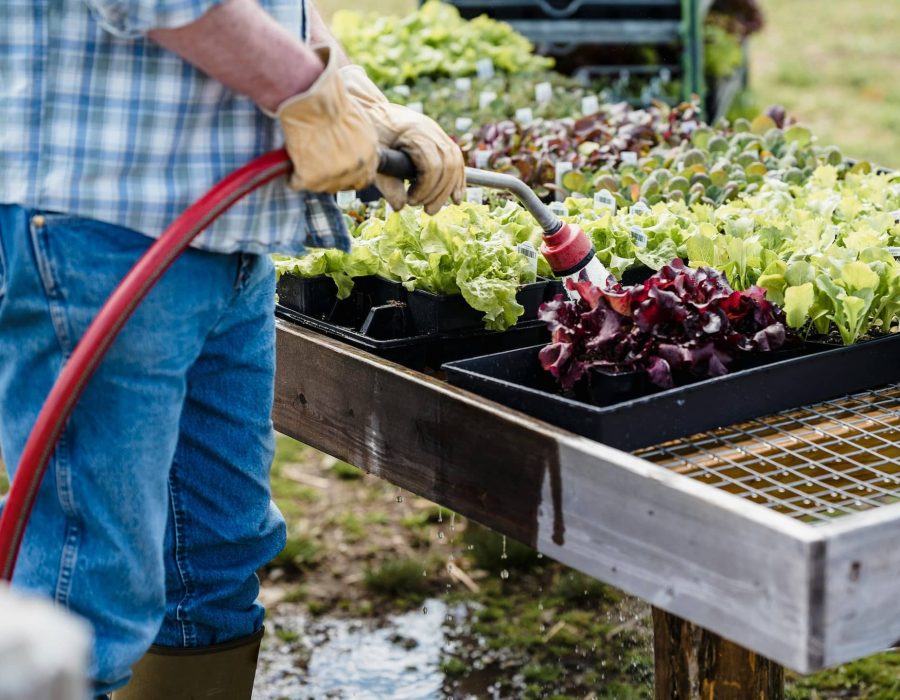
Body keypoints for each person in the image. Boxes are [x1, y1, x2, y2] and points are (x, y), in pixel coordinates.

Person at [0, 0, 465, 697]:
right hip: (103, 225)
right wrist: (309, 95)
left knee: (211, 563)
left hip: (226, 235)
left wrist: (360, 98)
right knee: (87, 589)